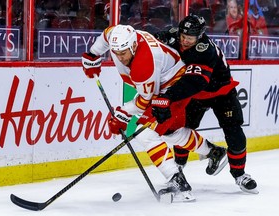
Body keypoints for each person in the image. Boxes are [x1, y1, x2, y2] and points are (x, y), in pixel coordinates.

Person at [81, 24, 228, 202]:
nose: (120, 57)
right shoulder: (119, 38)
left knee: (146, 134)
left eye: (123, 53)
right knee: (169, 132)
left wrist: (123, 113)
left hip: (174, 85)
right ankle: (213, 152)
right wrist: (92, 55)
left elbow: (145, 100)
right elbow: (106, 34)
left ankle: (178, 182)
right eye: (116, 53)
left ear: (134, 46)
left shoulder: (144, 63)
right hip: (162, 81)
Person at [153, 14, 258, 194]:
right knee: (181, 130)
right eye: (183, 36)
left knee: (234, 131)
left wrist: (168, 97)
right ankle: (178, 171)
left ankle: (240, 175)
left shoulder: (205, 50)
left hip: (221, 92)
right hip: (196, 95)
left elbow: (194, 82)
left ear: (200, 36)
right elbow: (150, 43)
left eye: (190, 38)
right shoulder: (173, 35)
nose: (185, 41)